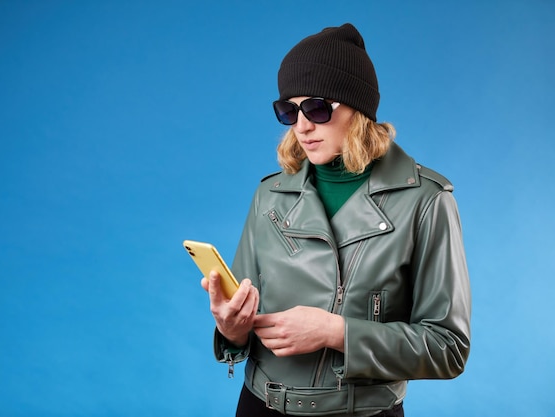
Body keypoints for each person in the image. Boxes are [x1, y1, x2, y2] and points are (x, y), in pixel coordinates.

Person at [200, 23, 471, 417]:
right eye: (288, 110)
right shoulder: (269, 195)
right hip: (261, 406)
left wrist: (337, 332)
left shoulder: (426, 201)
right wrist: (231, 328)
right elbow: (244, 318)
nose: (303, 126)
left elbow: (448, 348)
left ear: (357, 108)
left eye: (317, 107)